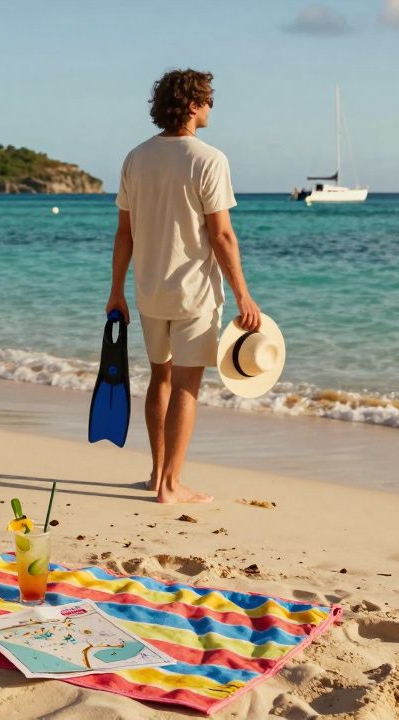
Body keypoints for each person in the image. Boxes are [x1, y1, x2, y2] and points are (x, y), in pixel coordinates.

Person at [106, 69, 261, 505]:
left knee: (161, 377)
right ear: (192, 106)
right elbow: (222, 236)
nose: (211, 107)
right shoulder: (208, 159)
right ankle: (171, 487)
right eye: (208, 99)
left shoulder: (135, 158)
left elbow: (125, 233)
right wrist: (243, 295)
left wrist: (116, 291)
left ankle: (158, 474)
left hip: (149, 289)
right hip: (193, 293)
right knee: (187, 386)